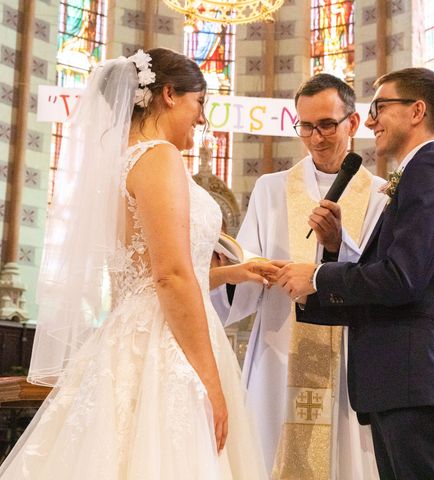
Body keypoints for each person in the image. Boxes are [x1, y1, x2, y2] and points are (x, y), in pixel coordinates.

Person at [0, 48, 272, 479]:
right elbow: (169, 276)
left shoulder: (115, 163)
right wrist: (211, 381)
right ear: (168, 94)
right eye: (199, 103)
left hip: (129, 334)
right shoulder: (158, 157)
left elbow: (143, 273)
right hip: (169, 345)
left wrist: (229, 273)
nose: (202, 119)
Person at [274, 67, 434, 480]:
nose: (369, 121)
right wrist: (329, 258)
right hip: (403, 381)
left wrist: (317, 278)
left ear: (417, 110)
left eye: (380, 107)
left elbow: (402, 278)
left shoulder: (431, 171)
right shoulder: (418, 174)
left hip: (416, 378)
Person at [212, 73, 386, 478]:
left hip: (347, 353)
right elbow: (244, 278)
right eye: (305, 126)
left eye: (327, 124)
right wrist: (238, 269)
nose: (316, 137)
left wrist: (337, 247)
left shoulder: (380, 194)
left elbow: (383, 277)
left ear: (353, 123)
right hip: (279, 346)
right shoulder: (271, 189)